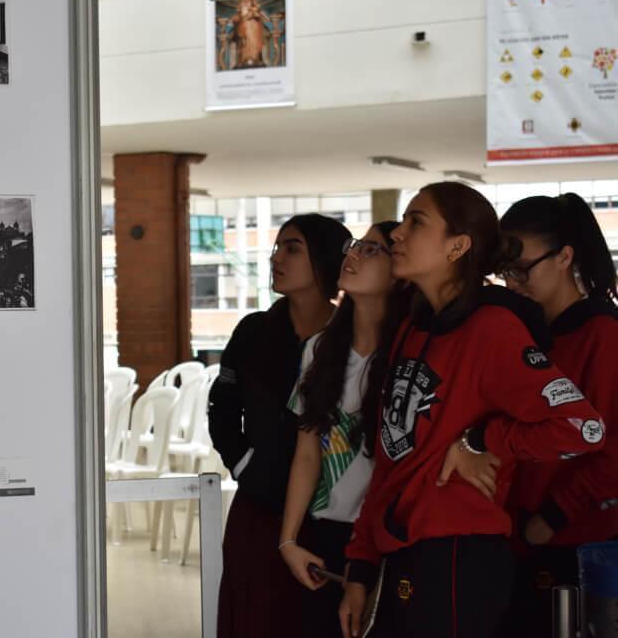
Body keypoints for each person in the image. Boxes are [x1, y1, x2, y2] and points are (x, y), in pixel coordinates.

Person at [338, 182, 606, 638]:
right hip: (401, 556)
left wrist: (481, 440)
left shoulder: (493, 329)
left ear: (457, 246)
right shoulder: (413, 329)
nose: (397, 233)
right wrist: (360, 565)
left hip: (458, 558)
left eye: (416, 222)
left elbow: (584, 428)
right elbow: (392, 457)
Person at [208, 213, 351, 638]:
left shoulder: (351, 335)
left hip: (330, 513)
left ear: (324, 259)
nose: (276, 259)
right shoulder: (254, 331)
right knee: (254, 617)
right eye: (277, 248)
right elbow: (222, 408)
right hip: (260, 505)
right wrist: (244, 465)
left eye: (292, 248)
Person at [483, 194, 617, 638]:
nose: (513, 282)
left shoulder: (602, 334)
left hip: (576, 543)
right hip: (517, 535)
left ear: (564, 257)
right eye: (506, 271)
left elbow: (611, 450)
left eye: (523, 269)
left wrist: (553, 516)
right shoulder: (522, 330)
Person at [280, 222, 411, 638]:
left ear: (399, 271)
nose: (352, 255)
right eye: (355, 246)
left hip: (387, 539)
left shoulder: (411, 353)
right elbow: (307, 451)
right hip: (324, 536)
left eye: (371, 250)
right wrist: (289, 541)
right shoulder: (319, 349)